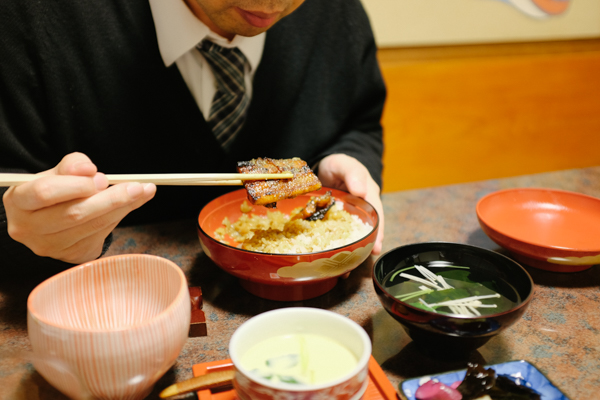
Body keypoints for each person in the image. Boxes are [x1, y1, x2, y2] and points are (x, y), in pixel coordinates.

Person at [0, 0, 386, 271]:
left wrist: (348, 157)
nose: (274, 2)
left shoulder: (336, 13)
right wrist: (29, 237)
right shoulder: (31, 18)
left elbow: (360, 122)